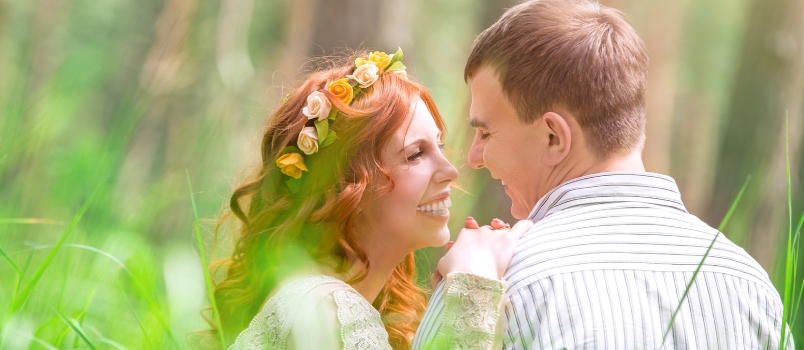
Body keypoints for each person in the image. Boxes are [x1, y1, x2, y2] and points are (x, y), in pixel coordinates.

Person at [413, 0, 792, 349]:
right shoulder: (749, 282)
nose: (475, 157)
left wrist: (464, 300)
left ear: (553, 137)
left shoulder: (494, 285)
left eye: (485, 133)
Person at [195, 49, 532, 350]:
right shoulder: (327, 309)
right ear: (344, 186)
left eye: (440, 147)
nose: (450, 171)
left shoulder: (323, 301)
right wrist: (475, 284)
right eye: (416, 154)